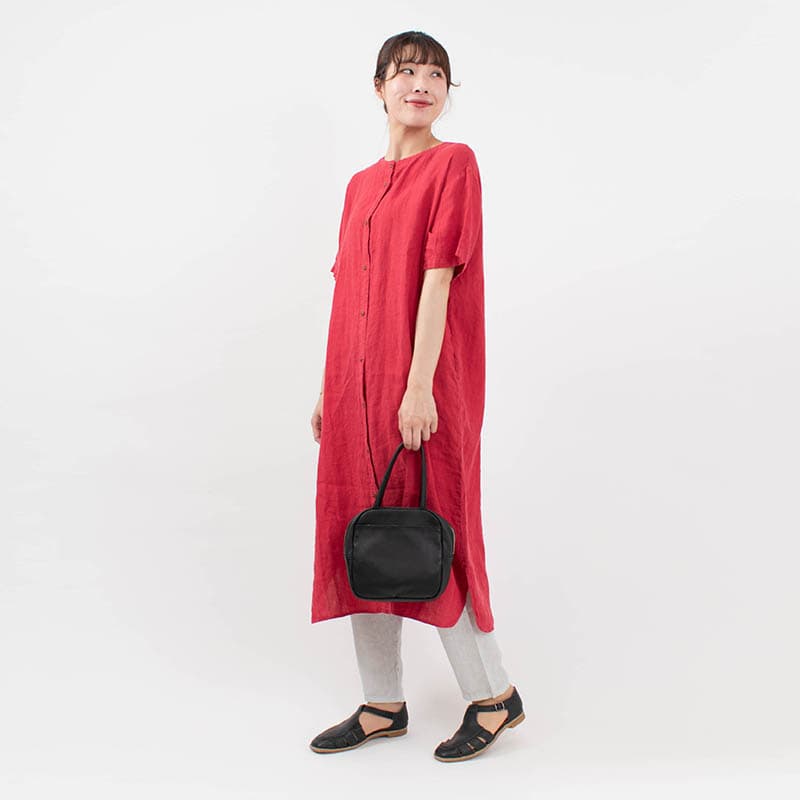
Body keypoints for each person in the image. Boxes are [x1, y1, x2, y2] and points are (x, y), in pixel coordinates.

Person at [308, 31, 525, 762]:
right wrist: (328, 387)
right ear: (379, 88)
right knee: (360, 527)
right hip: (355, 387)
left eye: (435, 74)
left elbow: (439, 278)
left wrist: (419, 386)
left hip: (421, 387)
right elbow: (349, 290)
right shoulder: (359, 186)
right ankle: (382, 703)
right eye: (406, 72)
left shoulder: (453, 164)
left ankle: (493, 696)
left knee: (437, 526)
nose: (421, 84)